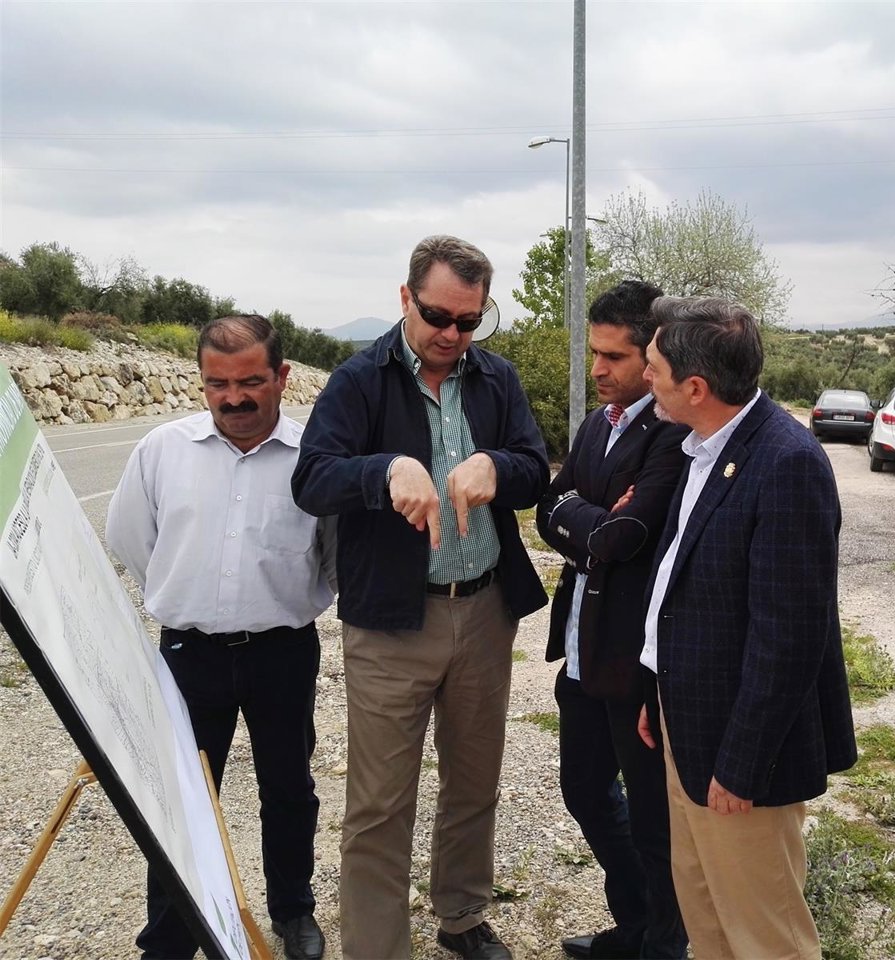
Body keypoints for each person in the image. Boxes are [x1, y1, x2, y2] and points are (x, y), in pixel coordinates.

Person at [291, 235, 549, 960]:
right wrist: (383, 472)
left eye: (469, 322)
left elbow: (535, 470)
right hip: (392, 623)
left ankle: (462, 915)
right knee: (378, 804)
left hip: (484, 610)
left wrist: (496, 467)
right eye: (438, 316)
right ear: (405, 298)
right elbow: (311, 478)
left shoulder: (496, 380)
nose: (452, 336)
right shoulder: (358, 381)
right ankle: (377, 948)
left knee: (474, 781)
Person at [636, 296, 857, 960]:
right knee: (706, 916)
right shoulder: (706, 445)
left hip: (741, 758)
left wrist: (741, 766)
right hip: (688, 720)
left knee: (765, 936)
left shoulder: (788, 463)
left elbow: (789, 638)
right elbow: (687, 584)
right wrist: (658, 689)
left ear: (695, 387)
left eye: (653, 367)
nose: (645, 376)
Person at [106, 314, 333, 960]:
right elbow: (130, 539)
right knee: (182, 799)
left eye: (250, 382)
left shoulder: (311, 461)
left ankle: (293, 914)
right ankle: (172, 934)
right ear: (202, 382)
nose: (233, 397)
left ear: (281, 378)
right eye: (217, 384)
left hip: (283, 652)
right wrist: (191, 597)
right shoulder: (161, 451)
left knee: (288, 788)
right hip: (188, 654)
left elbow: (333, 553)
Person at [536, 281, 689, 960]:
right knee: (584, 794)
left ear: (651, 352)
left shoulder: (674, 432)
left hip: (634, 660)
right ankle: (635, 924)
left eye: (615, 357)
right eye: (594, 353)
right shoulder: (600, 422)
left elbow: (626, 539)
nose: (597, 369)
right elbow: (550, 511)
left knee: (655, 822)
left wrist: (580, 512)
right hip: (580, 649)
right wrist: (584, 514)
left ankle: (664, 942)